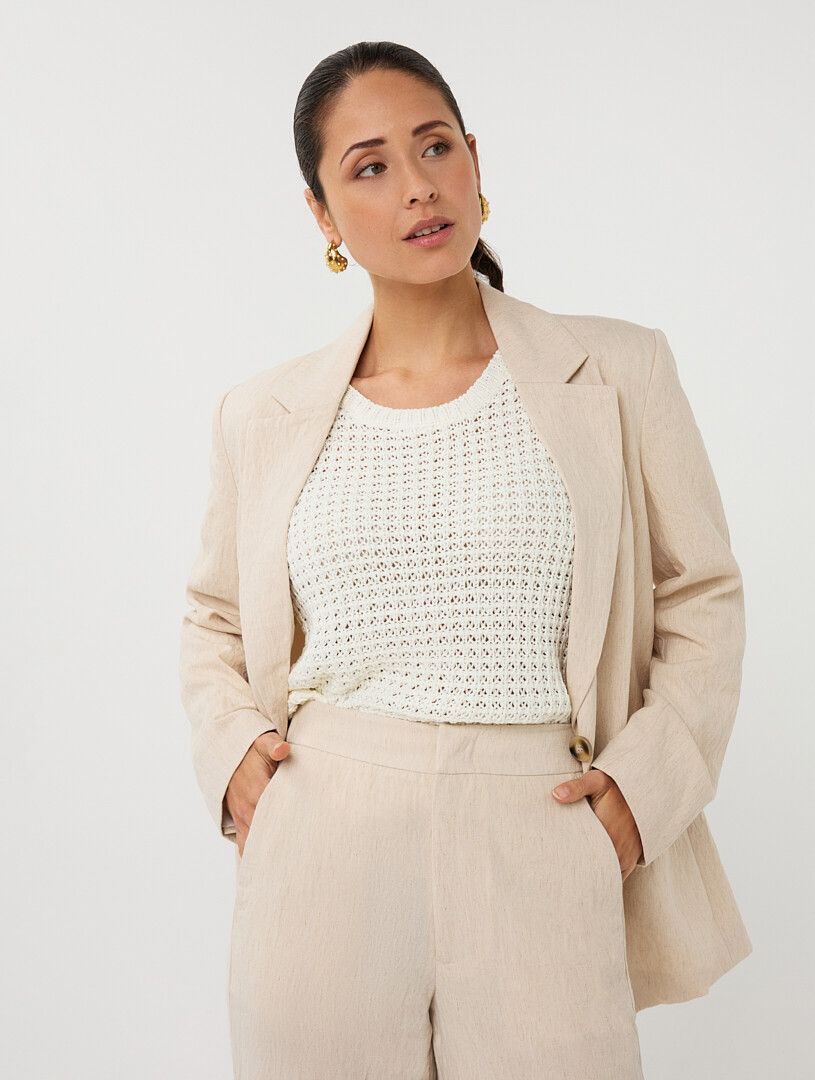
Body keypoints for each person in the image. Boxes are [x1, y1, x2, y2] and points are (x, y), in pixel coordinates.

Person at [179, 40, 751, 1080]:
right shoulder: (261, 414)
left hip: (542, 821)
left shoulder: (618, 370)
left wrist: (642, 791)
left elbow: (700, 593)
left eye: (434, 146)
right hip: (324, 836)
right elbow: (212, 615)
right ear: (321, 215)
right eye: (369, 166)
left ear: (474, 159)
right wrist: (233, 756)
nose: (417, 186)